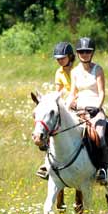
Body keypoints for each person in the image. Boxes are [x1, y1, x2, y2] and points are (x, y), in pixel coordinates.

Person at [67, 37, 108, 182]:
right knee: (59, 129)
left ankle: (102, 168)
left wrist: (97, 108)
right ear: (77, 53)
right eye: (81, 51)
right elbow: (72, 92)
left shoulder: (98, 70)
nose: (84, 54)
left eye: (87, 51)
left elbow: (102, 92)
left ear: (92, 53)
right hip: (79, 110)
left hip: (94, 110)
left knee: (100, 135)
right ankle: (51, 166)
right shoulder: (74, 72)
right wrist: (67, 107)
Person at [35, 41, 75, 180]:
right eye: (57, 58)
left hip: (82, 102)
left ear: (70, 56)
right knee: (50, 127)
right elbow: (59, 91)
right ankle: (48, 163)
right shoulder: (59, 72)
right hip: (66, 105)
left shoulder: (78, 69)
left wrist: (75, 100)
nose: (59, 61)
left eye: (62, 58)